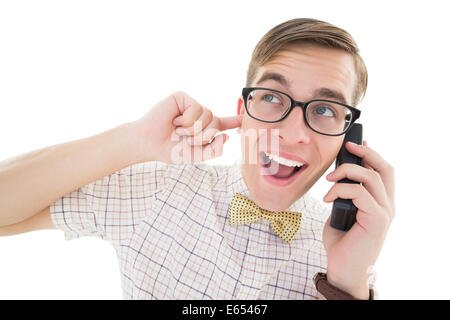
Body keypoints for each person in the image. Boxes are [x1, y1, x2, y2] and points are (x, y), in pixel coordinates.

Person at [0, 18, 395, 300]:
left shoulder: (348, 255)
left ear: (347, 137)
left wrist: (344, 285)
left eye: (324, 109)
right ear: (243, 110)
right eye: (272, 98)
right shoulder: (161, 189)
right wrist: (132, 140)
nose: (292, 134)